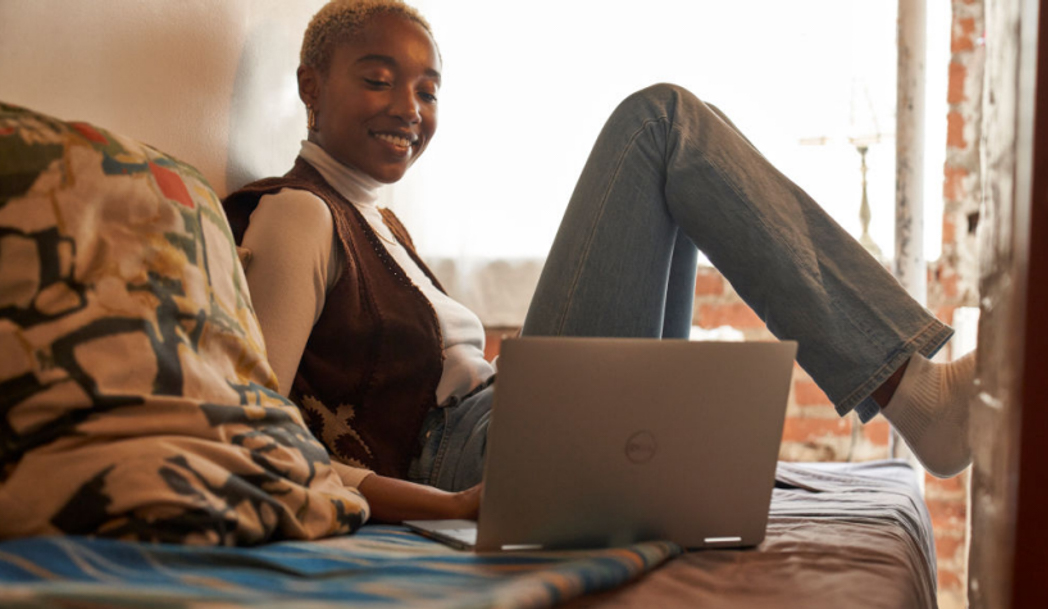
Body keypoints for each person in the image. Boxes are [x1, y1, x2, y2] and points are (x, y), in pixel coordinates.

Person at [224, 0, 976, 524]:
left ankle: (901, 393)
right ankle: (915, 397)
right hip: (475, 450)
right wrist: (452, 506)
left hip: (505, 423)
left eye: (427, 89)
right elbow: (259, 439)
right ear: (310, 87)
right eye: (378, 78)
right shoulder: (299, 213)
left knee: (681, 172)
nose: (409, 109)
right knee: (661, 123)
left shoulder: (378, 222)